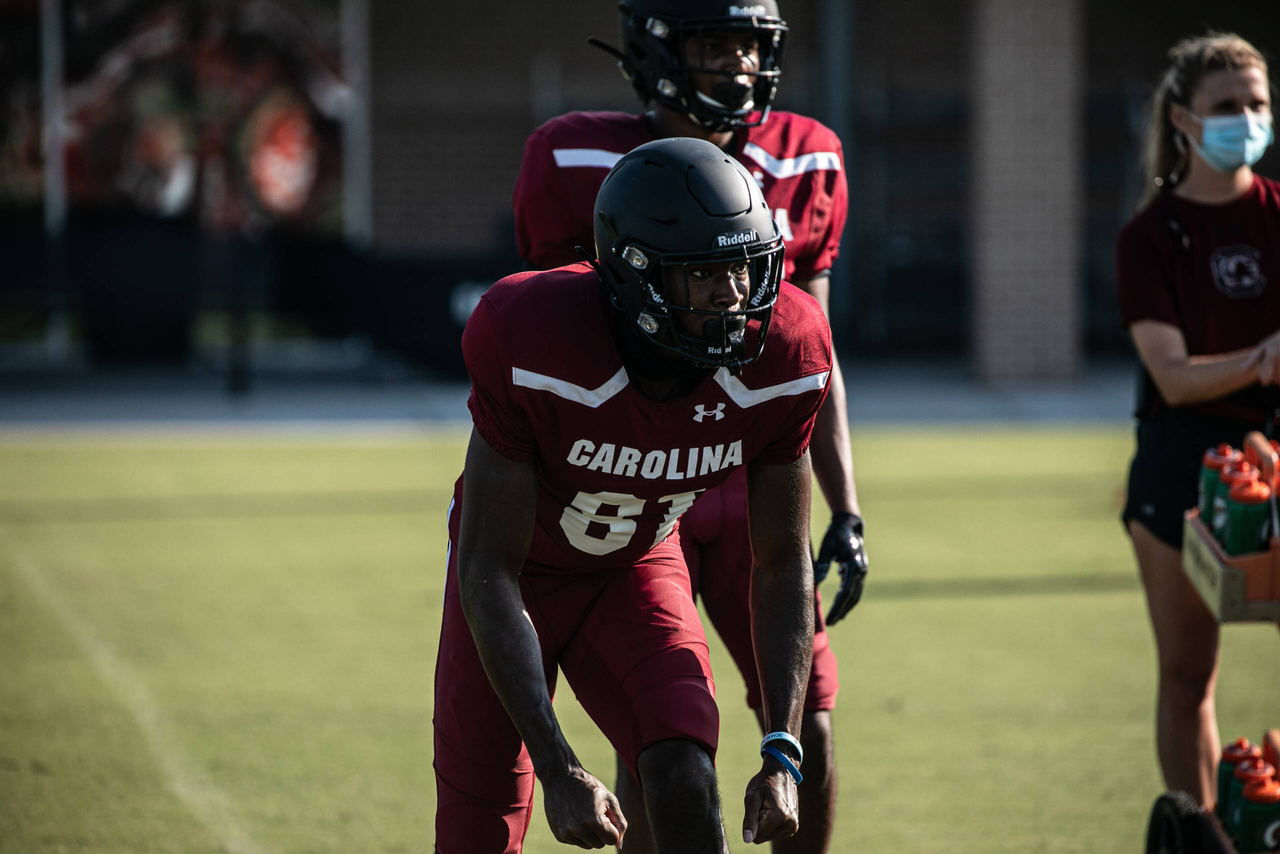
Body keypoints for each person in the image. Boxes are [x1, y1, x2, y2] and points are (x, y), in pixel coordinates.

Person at [512, 3, 864, 850]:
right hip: (639, 479)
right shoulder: (577, 158)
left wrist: (845, 506)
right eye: (715, 43)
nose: (737, 65)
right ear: (658, 51)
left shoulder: (804, 152)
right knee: (661, 734)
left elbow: (813, 354)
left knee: (806, 719)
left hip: (756, 478)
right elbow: (554, 343)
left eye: (751, 44)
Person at [434, 138, 833, 853]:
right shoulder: (532, 335)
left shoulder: (788, 350)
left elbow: (780, 560)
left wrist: (781, 750)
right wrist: (559, 767)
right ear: (639, 278)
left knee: (683, 769)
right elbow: (488, 567)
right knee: (481, 826)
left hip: (635, 568)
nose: (736, 294)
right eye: (706, 273)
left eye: (743, 266)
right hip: (515, 581)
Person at [1117, 32, 1280, 809]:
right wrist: (1261, 358)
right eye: (1226, 107)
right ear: (1182, 120)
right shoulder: (1151, 236)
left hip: (1273, 461)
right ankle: (1205, 832)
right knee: (1188, 677)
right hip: (1180, 469)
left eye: (1256, 104)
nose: (1245, 119)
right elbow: (1174, 379)